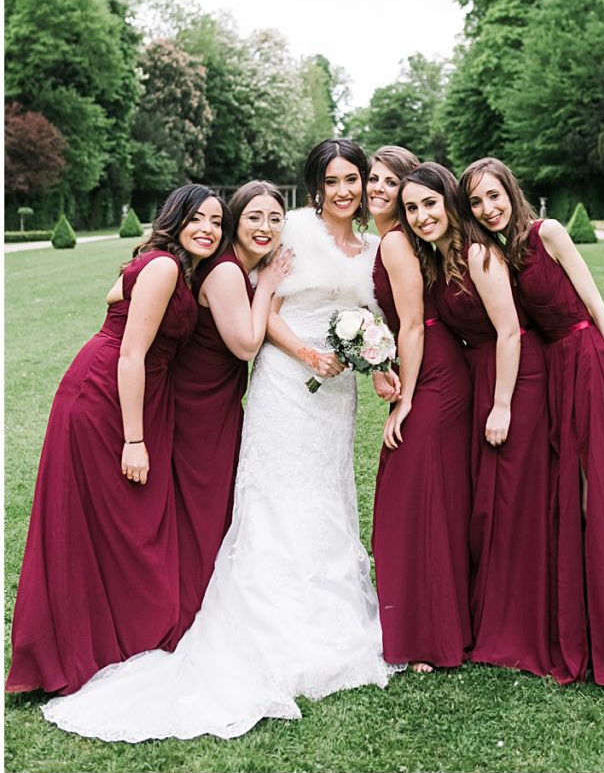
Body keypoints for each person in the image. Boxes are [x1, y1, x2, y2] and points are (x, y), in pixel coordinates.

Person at [41, 139, 395, 742]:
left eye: (353, 180)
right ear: (314, 188)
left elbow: (373, 309)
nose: (345, 190)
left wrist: (375, 354)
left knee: (324, 494)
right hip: (278, 383)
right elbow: (253, 327)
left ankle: (320, 607)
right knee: (268, 498)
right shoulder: (271, 250)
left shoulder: (362, 250)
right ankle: (247, 616)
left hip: (329, 398)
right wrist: (307, 349)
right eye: (333, 180)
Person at [6, 185, 228, 696]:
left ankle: (107, 637)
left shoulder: (163, 263)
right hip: (108, 396)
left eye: (216, 222)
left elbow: (115, 296)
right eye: (197, 218)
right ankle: (80, 646)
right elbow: (130, 355)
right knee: (113, 519)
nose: (208, 229)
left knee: (115, 522)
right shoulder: (165, 267)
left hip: (130, 392)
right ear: (175, 218)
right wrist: (135, 440)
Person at [459, 157, 604, 685]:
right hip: (551, 375)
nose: (488, 208)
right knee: (567, 499)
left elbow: (597, 307)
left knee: (600, 495)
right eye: (477, 202)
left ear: (511, 192)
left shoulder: (548, 233)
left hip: (587, 362)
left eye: (494, 195)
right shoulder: (494, 254)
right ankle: (579, 625)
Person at [399, 163, 551, 678]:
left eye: (430, 204)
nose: (422, 216)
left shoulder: (477, 253)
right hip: (481, 376)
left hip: (514, 379)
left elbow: (510, 332)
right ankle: (491, 619)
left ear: (449, 202)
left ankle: (523, 626)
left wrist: (502, 404)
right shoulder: (438, 260)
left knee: (510, 501)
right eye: (412, 209)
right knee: (489, 505)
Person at [168, 181, 293, 648]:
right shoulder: (225, 272)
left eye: (274, 218)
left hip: (218, 401)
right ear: (236, 222)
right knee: (201, 503)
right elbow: (245, 344)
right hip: (196, 404)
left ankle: (202, 593)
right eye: (253, 217)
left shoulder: (240, 268)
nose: (264, 227)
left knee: (213, 502)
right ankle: (192, 604)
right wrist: (270, 288)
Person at [367, 147, 472, 673]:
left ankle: (430, 634)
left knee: (416, 498)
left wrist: (406, 398)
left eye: (391, 182)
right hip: (424, 365)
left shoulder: (393, 241)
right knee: (420, 497)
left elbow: (412, 322)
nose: (377, 189)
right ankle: (428, 620)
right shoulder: (397, 238)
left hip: (435, 374)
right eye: (373, 179)